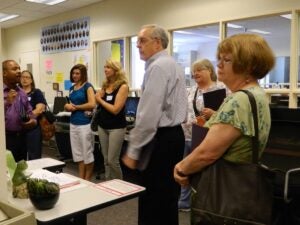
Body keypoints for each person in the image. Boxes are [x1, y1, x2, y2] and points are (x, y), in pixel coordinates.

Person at [174, 33, 275, 218]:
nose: (219, 64)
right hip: (242, 186)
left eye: (227, 60)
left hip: (224, 187)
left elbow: (207, 153)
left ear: (249, 66)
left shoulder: (238, 100)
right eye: (219, 59)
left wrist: (182, 167)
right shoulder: (257, 94)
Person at [122, 24, 188, 225]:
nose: (138, 46)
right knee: (168, 197)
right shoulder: (172, 64)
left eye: (142, 41)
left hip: (160, 139)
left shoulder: (158, 67)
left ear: (157, 42)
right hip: (174, 136)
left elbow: (148, 115)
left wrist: (133, 150)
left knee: (153, 198)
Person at [178, 58, 227, 211]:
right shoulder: (192, 90)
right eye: (194, 71)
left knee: (204, 172)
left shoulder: (220, 89)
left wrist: (214, 113)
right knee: (184, 169)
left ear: (210, 71)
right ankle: (185, 202)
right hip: (186, 136)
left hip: (207, 138)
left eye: (199, 70)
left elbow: (227, 115)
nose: (195, 73)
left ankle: (203, 203)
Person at [95, 59, 129, 180]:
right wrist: (98, 98)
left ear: (116, 70)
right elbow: (97, 102)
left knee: (112, 160)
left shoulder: (123, 87)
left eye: (108, 67)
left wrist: (100, 100)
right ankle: (108, 184)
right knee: (105, 160)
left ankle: (120, 186)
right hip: (102, 126)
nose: (105, 70)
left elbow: (115, 109)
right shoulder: (105, 85)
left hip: (116, 127)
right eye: (105, 67)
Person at [64, 64, 96, 181]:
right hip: (73, 123)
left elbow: (92, 104)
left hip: (85, 124)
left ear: (83, 74)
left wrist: (76, 107)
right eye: (73, 73)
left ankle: (88, 180)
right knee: (78, 155)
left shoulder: (88, 86)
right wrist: (67, 106)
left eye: (77, 73)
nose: (75, 75)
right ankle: (81, 179)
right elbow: (70, 104)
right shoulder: (72, 88)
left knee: (87, 153)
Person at [3, 60, 37, 162]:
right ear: (4, 73)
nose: (19, 71)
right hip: (5, 139)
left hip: (21, 137)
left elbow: (30, 113)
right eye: (14, 69)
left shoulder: (22, 92)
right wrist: (7, 103)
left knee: (21, 171)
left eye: (19, 68)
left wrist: (33, 121)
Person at [20, 70, 47, 160]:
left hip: (33, 129)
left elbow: (39, 109)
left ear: (31, 80)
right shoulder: (16, 92)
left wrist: (27, 118)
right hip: (19, 129)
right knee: (20, 157)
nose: (24, 79)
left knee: (34, 156)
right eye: (22, 77)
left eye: (27, 77)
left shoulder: (36, 92)